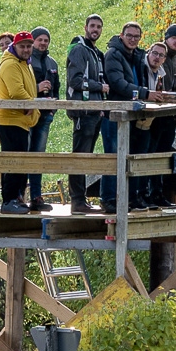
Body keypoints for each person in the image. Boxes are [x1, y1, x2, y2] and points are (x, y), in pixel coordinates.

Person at [100, 22, 164, 211]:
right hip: (114, 113)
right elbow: (117, 83)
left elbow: (140, 81)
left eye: (136, 36)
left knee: (129, 157)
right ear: (121, 35)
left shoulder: (136, 56)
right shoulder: (113, 54)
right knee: (112, 157)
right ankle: (108, 199)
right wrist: (145, 93)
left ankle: (128, 198)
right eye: (129, 35)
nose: (133, 39)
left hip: (131, 114)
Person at [65, 14, 109, 212]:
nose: (95, 30)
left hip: (95, 112)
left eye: (99, 27)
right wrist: (100, 87)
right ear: (85, 27)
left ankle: (81, 200)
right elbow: (75, 81)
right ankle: (77, 201)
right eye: (92, 26)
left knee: (87, 156)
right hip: (82, 112)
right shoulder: (79, 49)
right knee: (80, 156)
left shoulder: (95, 52)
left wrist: (101, 105)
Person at [0, 32, 40, 214]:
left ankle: (17, 197)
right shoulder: (10, 64)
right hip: (10, 119)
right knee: (13, 161)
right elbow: (16, 91)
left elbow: (27, 90)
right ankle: (8, 200)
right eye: (22, 46)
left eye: (29, 46)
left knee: (20, 161)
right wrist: (31, 103)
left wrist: (32, 103)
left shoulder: (24, 64)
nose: (26, 49)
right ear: (15, 46)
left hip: (20, 119)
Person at [147, 24, 176, 206]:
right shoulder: (157, 57)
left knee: (164, 155)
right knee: (151, 153)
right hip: (155, 115)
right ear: (166, 39)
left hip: (172, 115)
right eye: (173, 38)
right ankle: (147, 193)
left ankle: (158, 193)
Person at [26, 27, 60, 212]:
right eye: (40, 39)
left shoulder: (52, 62)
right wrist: (37, 88)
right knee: (24, 156)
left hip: (45, 117)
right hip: (27, 116)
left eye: (46, 40)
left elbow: (57, 89)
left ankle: (36, 197)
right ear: (33, 41)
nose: (43, 43)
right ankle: (18, 197)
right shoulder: (26, 61)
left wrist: (53, 111)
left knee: (38, 157)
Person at [140, 43, 174, 207]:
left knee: (158, 155)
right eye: (154, 53)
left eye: (161, 55)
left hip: (157, 118)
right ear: (148, 53)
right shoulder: (141, 69)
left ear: (164, 59)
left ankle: (155, 193)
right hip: (140, 119)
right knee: (143, 156)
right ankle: (142, 194)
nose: (157, 57)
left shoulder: (161, 73)